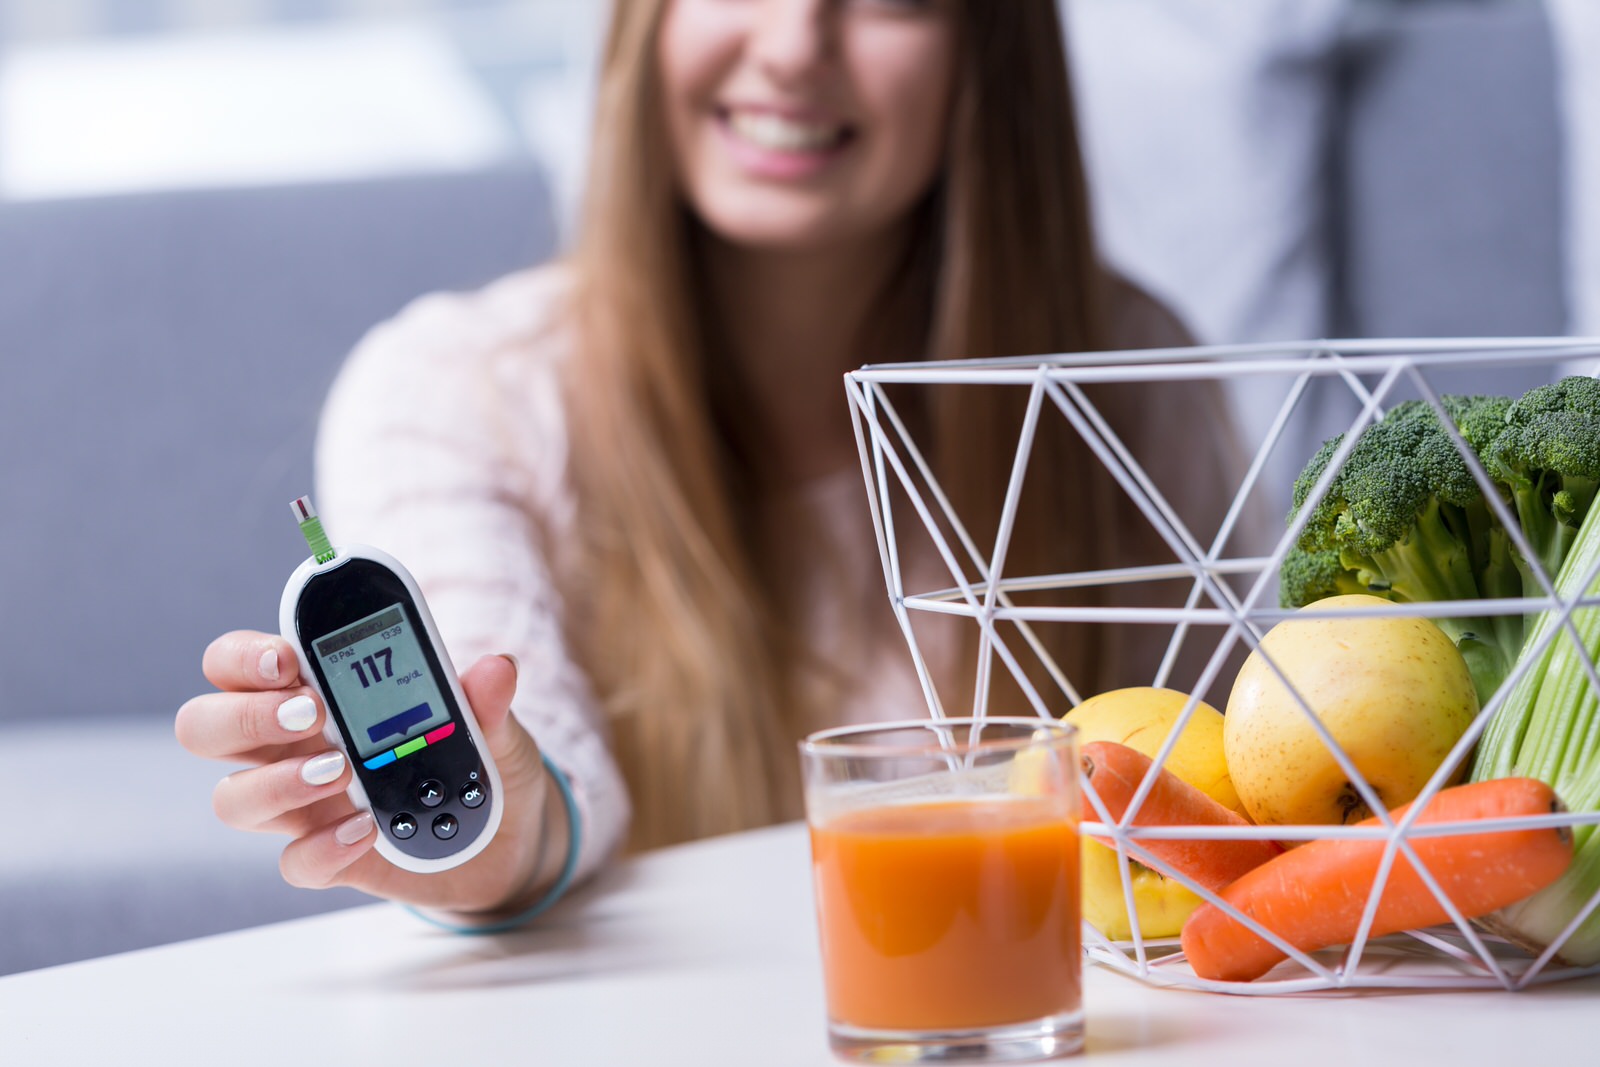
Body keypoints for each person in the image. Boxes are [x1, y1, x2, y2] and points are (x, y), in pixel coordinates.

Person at [175, 0, 1239, 927]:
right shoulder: (453, 391)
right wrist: (499, 834)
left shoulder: (1128, 382)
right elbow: (533, 761)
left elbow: (1234, 818)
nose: (791, 46)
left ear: (992, 49)